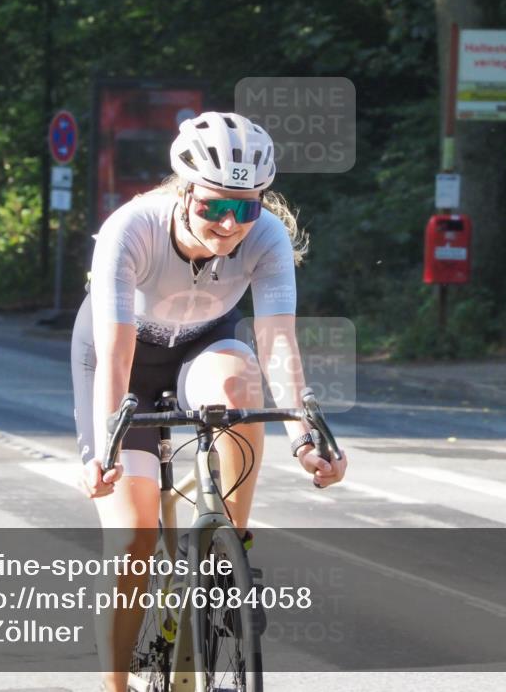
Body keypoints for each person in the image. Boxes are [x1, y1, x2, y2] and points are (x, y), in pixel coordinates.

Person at [70, 110, 348, 691]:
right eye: (212, 206)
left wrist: (304, 437)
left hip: (204, 344)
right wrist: (107, 447)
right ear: (184, 190)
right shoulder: (131, 228)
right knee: (132, 546)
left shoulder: (266, 236)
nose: (228, 224)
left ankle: (229, 554)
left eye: (244, 208)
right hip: (123, 359)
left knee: (237, 383)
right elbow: (116, 356)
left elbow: (276, 342)